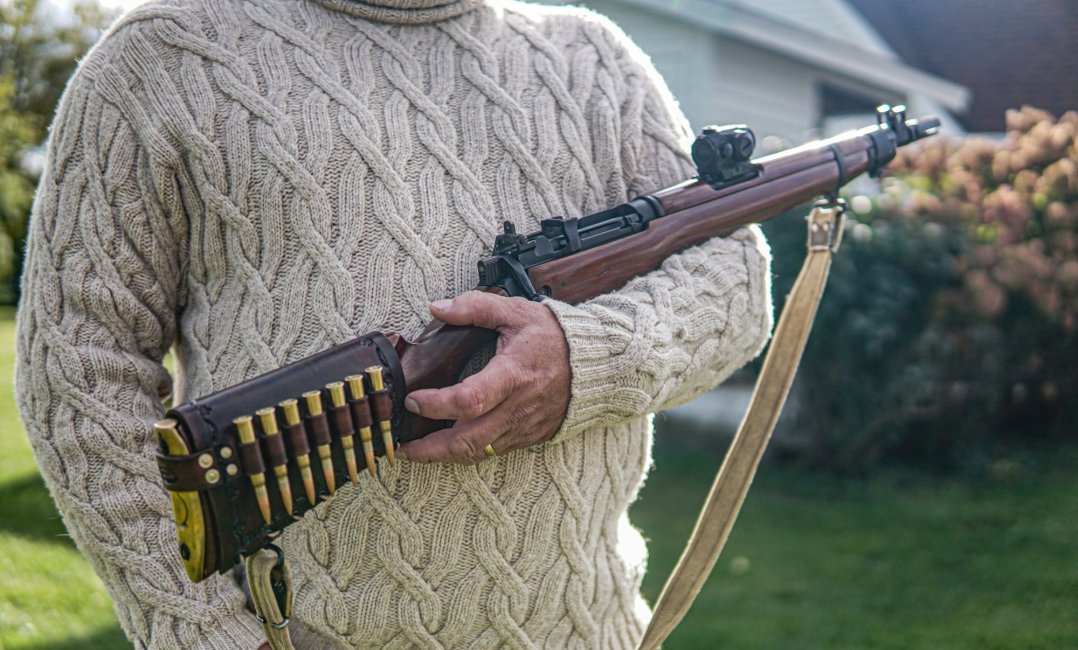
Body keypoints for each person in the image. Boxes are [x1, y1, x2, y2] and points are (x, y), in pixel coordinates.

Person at [14, 0, 773, 646]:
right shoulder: (161, 59)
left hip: (587, 626)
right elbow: (80, 375)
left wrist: (591, 358)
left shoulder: (595, 59)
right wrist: (202, 632)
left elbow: (732, 278)